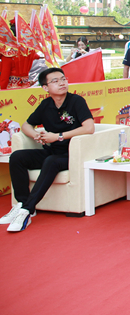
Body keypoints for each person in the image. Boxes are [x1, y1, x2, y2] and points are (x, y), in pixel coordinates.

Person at [2, 69, 94, 232]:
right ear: (45, 87)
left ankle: (27, 210)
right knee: (17, 157)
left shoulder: (76, 101)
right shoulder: (46, 105)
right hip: (52, 150)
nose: (62, 83)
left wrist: (58, 136)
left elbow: (89, 128)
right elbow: (26, 125)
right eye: (55, 81)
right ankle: (22, 203)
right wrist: (35, 135)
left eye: (63, 79)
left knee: (51, 161)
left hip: (72, 154)